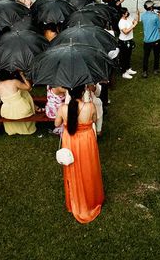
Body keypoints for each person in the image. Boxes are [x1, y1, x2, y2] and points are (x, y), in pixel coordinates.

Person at [54, 84, 104, 223]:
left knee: (73, 168)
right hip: (86, 140)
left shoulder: (63, 108)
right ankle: (91, 198)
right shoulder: (90, 106)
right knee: (89, 167)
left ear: (68, 92)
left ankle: (76, 199)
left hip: (70, 140)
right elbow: (94, 120)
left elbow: (57, 124)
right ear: (83, 91)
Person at [0, 70, 38, 135]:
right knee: (24, 92)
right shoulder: (14, 82)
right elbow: (29, 87)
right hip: (21, 109)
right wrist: (22, 75)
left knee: (23, 92)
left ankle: (13, 130)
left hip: (6, 112)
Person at [140, 0, 160, 78]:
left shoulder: (143, 16)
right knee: (156, 55)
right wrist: (159, 16)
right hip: (155, 39)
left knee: (146, 56)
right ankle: (155, 69)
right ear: (151, 7)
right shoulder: (155, 16)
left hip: (146, 40)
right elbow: (159, 26)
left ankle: (144, 71)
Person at [118, 7, 138, 79]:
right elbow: (125, 32)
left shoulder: (128, 18)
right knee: (124, 57)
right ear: (122, 14)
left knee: (128, 55)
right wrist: (133, 25)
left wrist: (137, 14)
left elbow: (135, 21)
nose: (127, 13)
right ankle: (123, 72)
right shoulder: (121, 22)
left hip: (129, 40)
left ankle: (128, 68)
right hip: (123, 41)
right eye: (126, 12)